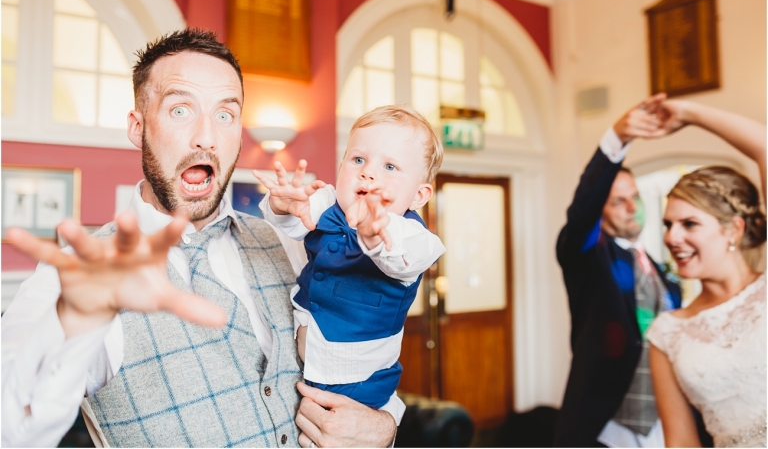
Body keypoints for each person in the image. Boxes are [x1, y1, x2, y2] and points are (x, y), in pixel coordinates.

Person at [1, 28, 399, 448]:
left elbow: (366, 344)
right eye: (180, 110)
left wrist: (385, 423)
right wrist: (76, 319)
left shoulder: (292, 243)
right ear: (138, 128)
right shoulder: (78, 274)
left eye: (225, 115)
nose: (206, 137)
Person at [254, 105, 445, 410]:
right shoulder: (328, 201)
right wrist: (282, 205)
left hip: (359, 383)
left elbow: (396, 256)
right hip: (302, 367)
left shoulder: (416, 238)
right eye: (358, 159)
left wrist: (373, 237)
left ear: (419, 196)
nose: (367, 172)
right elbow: (292, 224)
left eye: (390, 167)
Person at [554, 93, 685, 447]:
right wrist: (617, 139)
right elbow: (582, 213)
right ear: (602, 210)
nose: (631, 208)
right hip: (606, 426)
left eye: (635, 197)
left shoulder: (665, 274)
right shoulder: (589, 258)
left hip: (665, 422)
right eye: (616, 201)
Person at [644, 99, 766, 447]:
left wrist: (689, 114)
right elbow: (681, 442)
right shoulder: (667, 334)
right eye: (668, 225)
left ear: (734, 229)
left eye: (689, 224)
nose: (672, 237)